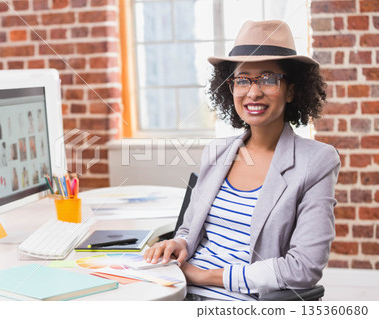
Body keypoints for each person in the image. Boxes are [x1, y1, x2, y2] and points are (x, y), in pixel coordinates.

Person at [144, 20, 340, 301]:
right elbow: (190, 227)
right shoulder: (217, 152)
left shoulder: (317, 162)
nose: (253, 92)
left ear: (292, 90)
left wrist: (204, 275)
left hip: (237, 300)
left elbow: (303, 268)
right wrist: (179, 243)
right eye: (243, 79)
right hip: (177, 289)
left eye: (269, 78)